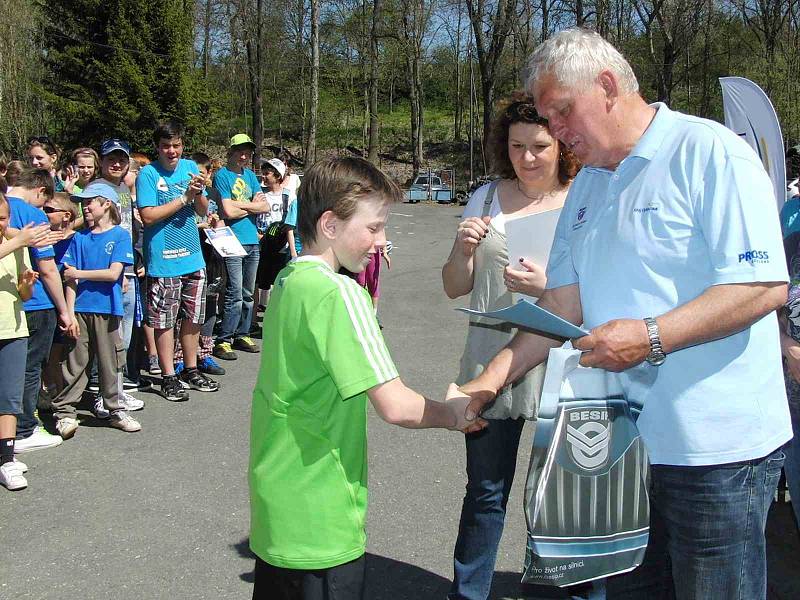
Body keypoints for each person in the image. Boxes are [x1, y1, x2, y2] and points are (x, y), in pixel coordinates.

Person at [457, 29, 790, 599]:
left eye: (562, 111)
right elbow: (561, 306)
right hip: (622, 449)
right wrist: (485, 383)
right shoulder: (587, 184)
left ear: (608, 86)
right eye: (546, 115)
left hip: (715, 452)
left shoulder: (709, 152)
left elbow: (761, 286)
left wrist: (651, 336)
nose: (555, 130)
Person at [249, 156, 483, 600]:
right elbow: (396, 406)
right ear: (330, 225)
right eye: (374, 227)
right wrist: (453, 413)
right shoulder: (341, 294)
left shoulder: (288, 281)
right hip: (322, 517)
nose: (382, 240)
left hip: (277, 507)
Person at [442, 92, 578, 600]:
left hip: (559, 363)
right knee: (485, 491)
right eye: (517, 146)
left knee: (551, 496)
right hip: (488, 360)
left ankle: (546, 589)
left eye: (539, 146)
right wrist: (462, 249)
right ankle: (469, 591)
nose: (527, 157)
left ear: (562, 145)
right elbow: (455, 286)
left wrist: (546, 287)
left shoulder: (583, 199)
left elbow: (597, 291)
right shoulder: (484, 197)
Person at [136, 120, 218, 401]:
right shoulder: (147, 174)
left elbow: (204, 211)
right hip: (163, 258)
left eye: (176, 145)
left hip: (193, 257)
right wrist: (184, 197)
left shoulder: (190, 168)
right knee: (165, 320)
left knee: (193, 317)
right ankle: (168, 375)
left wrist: (199, 193)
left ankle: (191, 369)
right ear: (157, 147)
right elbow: (148, 216)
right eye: (166, 146)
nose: (172, 151)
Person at [51, 181, 141, 437]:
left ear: (106, 204)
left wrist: (79, 273)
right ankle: (65, 413)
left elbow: (114, 274)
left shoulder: (120, 236)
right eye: (83, 203)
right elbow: (70, 280)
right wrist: (68, 314)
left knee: (110, 361)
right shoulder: (79, 239)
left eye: (90, 202)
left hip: (108, 310)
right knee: (75, 363)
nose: (85, 208)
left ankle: (114, 409)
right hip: (80, 309)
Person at [6, 168, 76, 454]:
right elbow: (47, 269)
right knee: (30, 367)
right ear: (40, 190)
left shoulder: (2, 207)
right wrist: (64, 310)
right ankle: (24, 429)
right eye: (45, 203)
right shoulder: (32, 215)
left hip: (8, 301)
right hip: (36, 302)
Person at [0, 192, 48, 490]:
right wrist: (18, 240)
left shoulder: (15, 246)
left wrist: (26, 284)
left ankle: (6, 457)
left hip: (13, 327)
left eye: (3, 218)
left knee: (9, 397)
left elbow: (24, 294)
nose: (0, 224)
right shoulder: (14, 243)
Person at [212, 134, 268, 361]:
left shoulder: (251, 176)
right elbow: (227, 211)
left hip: (252, 240)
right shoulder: (222, 176)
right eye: (240, 151)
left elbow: (264, 206)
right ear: (231, 152)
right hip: (232, 240)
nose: (244, 156)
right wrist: (251, 206)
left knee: (248, 292)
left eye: (247, 152)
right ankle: (224, 339)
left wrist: (241, 205)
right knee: (233, 292)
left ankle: (242, 333)